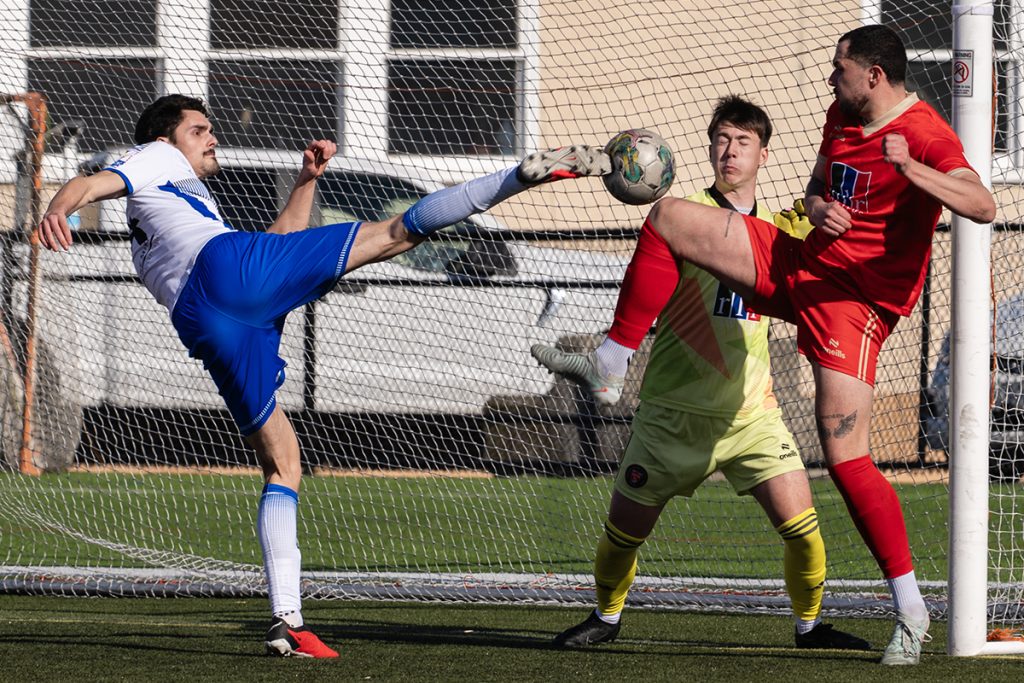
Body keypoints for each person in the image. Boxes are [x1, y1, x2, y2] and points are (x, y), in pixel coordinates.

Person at [37, 94, 612, 658]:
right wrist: (59, 208)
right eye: (198, 129)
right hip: (224, 271)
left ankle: (287, 621)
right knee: (396, 232)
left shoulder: (168, 202)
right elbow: (88, 184)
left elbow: (278, 244)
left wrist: (306, 182)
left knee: (282, 462)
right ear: (166, 138)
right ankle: (520, 176)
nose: (211, 137)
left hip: (208, 319)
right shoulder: (157, 157)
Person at [526, 25, 997, 665]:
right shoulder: (841, 112)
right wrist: (819, 207)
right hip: (802, 265)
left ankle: (911, 611)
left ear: (874, 75)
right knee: (666, 217)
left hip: (853, 304)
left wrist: (911, 168)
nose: (830, 77)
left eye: (840, 68)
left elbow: (982, 204)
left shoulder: (924, 134)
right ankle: (612, 361)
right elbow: (818, 186)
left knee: (845, 457)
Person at [532, 95, 867, 652]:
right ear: (710, 148)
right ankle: (606, 617)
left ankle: (810, 627)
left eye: (743, 142)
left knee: (804, 530)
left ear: (763, 154)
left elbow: (832, 240)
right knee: (623, 534)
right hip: (671, 415)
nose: (730, 151)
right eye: (721, 140)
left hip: (750, 417)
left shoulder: (783, 227)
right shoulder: (682, 218)